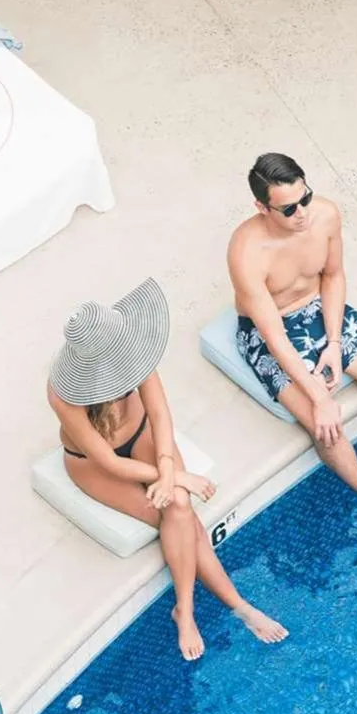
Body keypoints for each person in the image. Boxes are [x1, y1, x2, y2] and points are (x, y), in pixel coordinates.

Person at [47, 277, 288, 662]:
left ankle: (191, 610)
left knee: (178, 504)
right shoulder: (63, 396)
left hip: (145, 435)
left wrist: (164, 466)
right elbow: (108, 461)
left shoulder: (132, 350)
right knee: (178, 506)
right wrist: (177, 476)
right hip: (93, 465)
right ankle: (222, 608)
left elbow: (159, 413)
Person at [228, 153, 357, 543]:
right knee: (325, 427)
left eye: (305, 198)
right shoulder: (246, 251)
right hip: (269, 329)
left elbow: (333, 276)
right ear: (262, 208)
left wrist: (334, 343)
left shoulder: (326, 215)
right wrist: (319, 397)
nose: (302, 213)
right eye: (289, 209)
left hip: (321, 308)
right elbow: (274, 336)